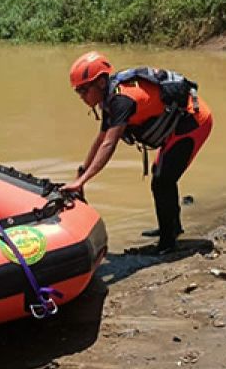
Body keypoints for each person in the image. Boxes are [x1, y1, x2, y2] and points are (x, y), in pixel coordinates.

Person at [62, 52, 213, 253]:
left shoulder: (122, 100)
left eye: (83, 89)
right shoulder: (109, 98)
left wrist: (82, 181)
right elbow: (101, 139)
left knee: (162, 181)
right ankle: (172, 227)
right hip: (177, 124)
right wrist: (81, 172)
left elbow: (109, 144)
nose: (81, 96)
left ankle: (168, 244)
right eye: (78, 92)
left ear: (99, 83)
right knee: (161, 174)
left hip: (194, 122)